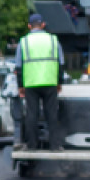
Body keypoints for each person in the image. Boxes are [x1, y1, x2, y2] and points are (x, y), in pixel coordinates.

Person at [15, 13, 63, 150]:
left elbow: (18, 66)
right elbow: (60, 63)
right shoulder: (54, 40)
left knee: (32, 115)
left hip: (31, 83)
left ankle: (32, 145)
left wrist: (20, 85)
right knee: (52, 114)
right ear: (43, 25)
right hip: (50, 81)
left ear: (29, 26)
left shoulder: (23, 42)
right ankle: (55, 146)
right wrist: (59, 82)